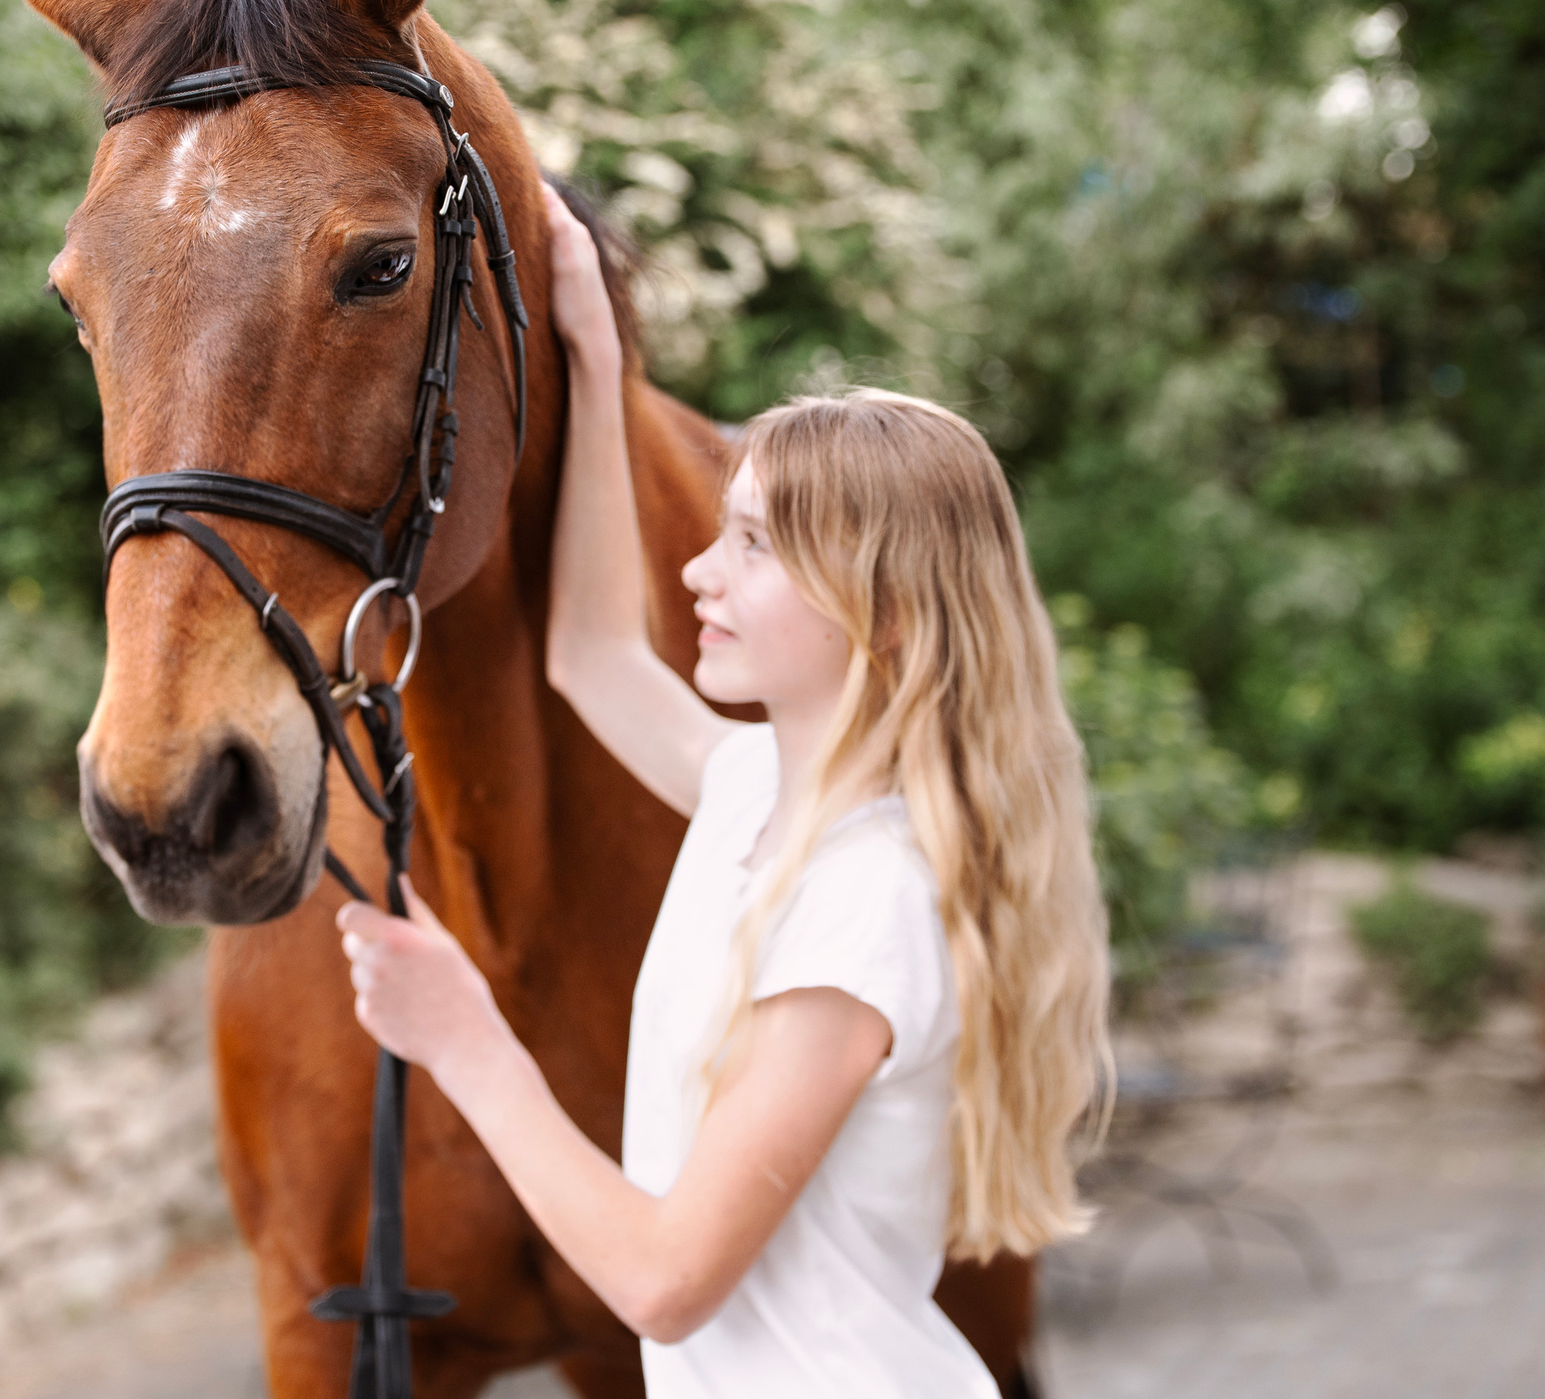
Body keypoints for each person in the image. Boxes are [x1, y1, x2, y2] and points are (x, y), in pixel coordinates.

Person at [336, 181, 1111, 1397]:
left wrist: (463, 1036)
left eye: (754, 547)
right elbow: (588, 654)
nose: (699, 568)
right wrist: (593, 357)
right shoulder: (760, 794)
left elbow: (662, 1281)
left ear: (885, 615)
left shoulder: (864, 905)